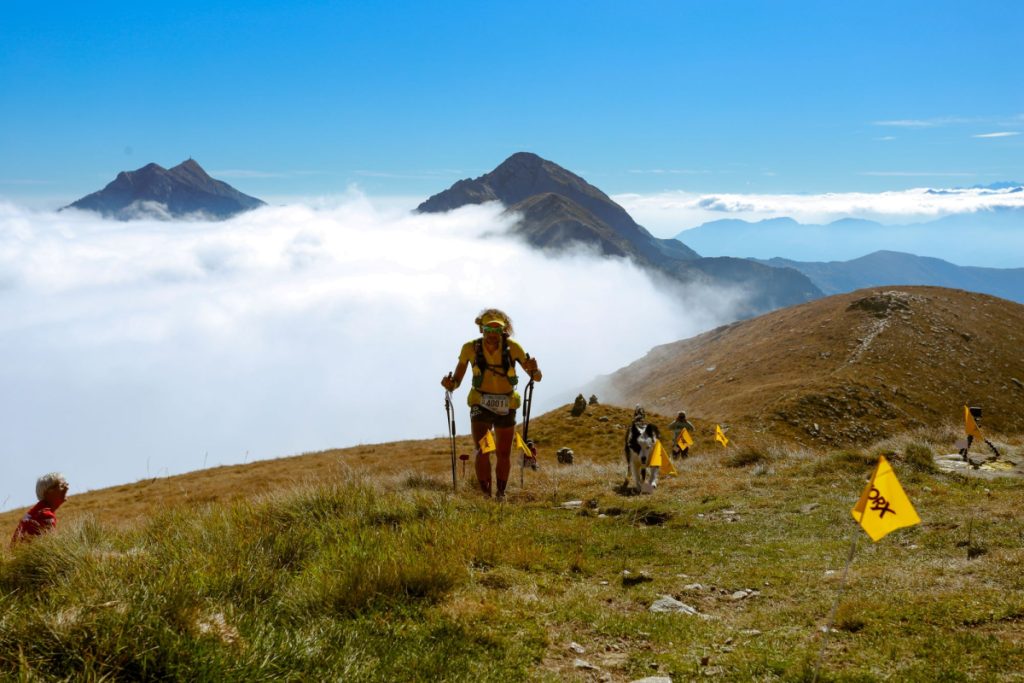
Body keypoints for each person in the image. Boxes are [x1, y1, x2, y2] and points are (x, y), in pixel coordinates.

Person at [441, 308, 542, 500]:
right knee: (483, 449)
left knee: (504, 452)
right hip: (480, 403)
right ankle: (486, 494)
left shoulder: (514, 349)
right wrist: (449, 384)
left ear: (503, 331)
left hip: (507, 403)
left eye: (497, 331)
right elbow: (456, 380)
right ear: (481, 329)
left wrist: (534, 370)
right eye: (488, 330)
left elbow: (536, 377)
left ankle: (501, 493)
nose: (492, 335)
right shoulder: (469, 348)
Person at [10, 472, 69, 548]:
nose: (67, 488)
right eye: (62, 486)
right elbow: (50, 548)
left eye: (66, 484)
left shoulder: (36, 511)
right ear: (47, 492)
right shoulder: (45, 515)